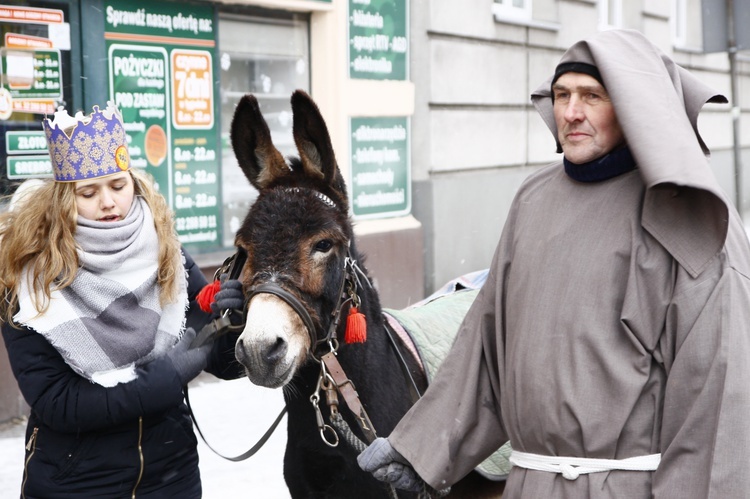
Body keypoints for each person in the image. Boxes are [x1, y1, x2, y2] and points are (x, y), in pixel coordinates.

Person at [358, 28, 750, 497]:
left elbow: (718, 397)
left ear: (634, 106)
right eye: (562, 94)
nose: (570, 112)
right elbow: (486, 350)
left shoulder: (690, 214)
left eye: (591, 96)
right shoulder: (534, 199)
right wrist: (420, 450)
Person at [0, 103, 243, 498]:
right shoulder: (27, 280)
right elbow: (58, 402)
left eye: (117, 185)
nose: (108, 202)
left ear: (133, 182)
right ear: (64, 199)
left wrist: (233, 323)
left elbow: (223, 358)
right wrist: (168, 376)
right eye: (88, 192)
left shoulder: (164, 251)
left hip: (171, 475)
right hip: (76, 482)